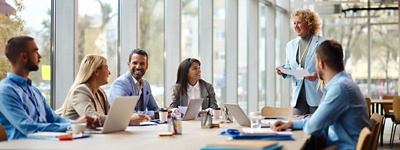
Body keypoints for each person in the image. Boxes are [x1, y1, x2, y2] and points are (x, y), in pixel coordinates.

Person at [271, 40, 370, 149]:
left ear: (321, 63)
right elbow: (319, 120)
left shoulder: (339, 89)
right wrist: (292, 124)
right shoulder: (344, 83)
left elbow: (312, 127)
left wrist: (294, 122)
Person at [0, 36, 99, 140]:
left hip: (48, 143)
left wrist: (82, 123)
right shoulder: (5, 91)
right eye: (35, 51)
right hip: (24, 146)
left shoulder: (34, 90)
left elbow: (55, 119)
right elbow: (28, 127)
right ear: (24, 56)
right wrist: (72, 126)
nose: (40, 56)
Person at [57, 54, 150, 125]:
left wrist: (134, 116)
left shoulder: (100, 92)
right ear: (96, 71)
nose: (109, 73)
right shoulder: (80, 91)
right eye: (106, 68)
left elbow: (113, 114)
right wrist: (128, 120)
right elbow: (94, 118)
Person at [275, 9, 326, 115]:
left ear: (309, 24)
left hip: (317, 96)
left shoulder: (323, 43)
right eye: (294, 23)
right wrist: (283, 70)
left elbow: (330, 69)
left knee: (316, 130)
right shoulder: (290, 45)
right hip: (298, 97)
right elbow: (290, 66)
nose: (296, 26)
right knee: (294, 126)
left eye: (299, 22)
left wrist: (317, 75)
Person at [108, 49, 159, 118]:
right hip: (121, 126)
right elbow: (126, 112)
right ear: (129, 65)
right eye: (135, 63)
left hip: (140, 126)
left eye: (142, 63)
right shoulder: (120, 84)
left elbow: (154, 108)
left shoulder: (146, 84)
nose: (138, 67)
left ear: (146, 66)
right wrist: (156, 114)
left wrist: (165, 112)